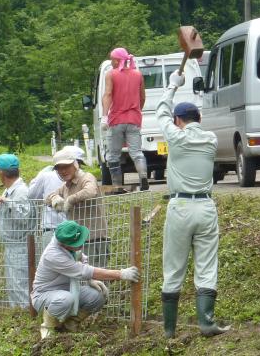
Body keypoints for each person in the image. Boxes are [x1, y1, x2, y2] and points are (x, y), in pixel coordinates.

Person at [156, 70, 230, 338]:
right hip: (206, 206)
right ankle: (206, 322)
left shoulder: (175, 137)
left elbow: (160, 114)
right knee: (207, 264)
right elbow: (171, 118)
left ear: (178, 121)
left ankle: (169, 330)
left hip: (180, 207)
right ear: (199, 119)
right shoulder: (210, 140)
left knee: (174, 267)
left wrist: (172, 86)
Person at [31, 220, 139, 339]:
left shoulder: (69, 247)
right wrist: (121, 274)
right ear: (64, 244)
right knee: (65, 299)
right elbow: (85, 271)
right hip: (44, 295)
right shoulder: (53, 255)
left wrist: (90, 281)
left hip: (67, 290)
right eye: (77, 242)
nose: (82, 244)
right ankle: (48, 328)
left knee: (98, 295)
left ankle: (70, 324)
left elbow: (82, 258)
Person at [45, 148, 109, 267]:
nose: (63, 171)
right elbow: (47, 198)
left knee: (96, 277)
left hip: (94, 240)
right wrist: (54, 198)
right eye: (59, 168)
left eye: (66, 166)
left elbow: (91, 192)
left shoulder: (86, 178)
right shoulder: (66, 186)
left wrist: (70, 199)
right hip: (76, 242)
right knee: (80, 280)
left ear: (75, 164)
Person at [0, 154, 36, 308]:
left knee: (20, 283)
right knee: (13, 284)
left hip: (20, 246)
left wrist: (7, 202)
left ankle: (25, 316)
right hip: (11, 245)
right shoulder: (9, 190)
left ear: (2, 173)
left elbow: (25, 217)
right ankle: (16, 315)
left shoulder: (21, 191)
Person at [102, 47, 149, 191]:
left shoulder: (111, 74)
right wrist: (136, 111)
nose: (111, 62)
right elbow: (142, 97)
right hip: (134, 119)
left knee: (113, 155)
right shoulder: (138, 74)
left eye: (112, 59)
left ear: (117, 60)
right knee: (136, 152)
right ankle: (143, 177)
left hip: (116, 119)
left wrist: (105, 115)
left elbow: (108, 95)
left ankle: (117, 186)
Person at [28, 146, 85, 250]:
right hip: (73, 231)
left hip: (54, 228)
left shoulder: (46, 175)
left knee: (53, 263)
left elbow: (32, 195)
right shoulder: (83, 178)